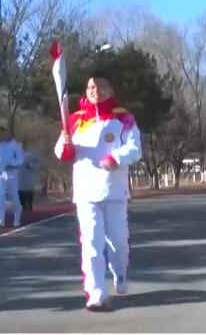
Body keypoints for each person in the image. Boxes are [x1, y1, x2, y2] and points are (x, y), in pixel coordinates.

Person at [55, 71, 142, 312]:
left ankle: (119, 270)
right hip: (86, 191)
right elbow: (61, 152)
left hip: (113, 190)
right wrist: (65, 145)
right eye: (91, 87)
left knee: (118, 241)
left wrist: (116, 158)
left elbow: (135, 148)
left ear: (110, 90)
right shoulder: (75, 119)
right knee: (91, 244)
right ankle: (96, 292)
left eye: (101, 87)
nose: (95, 91)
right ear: (86, 91)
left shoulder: (122, 118)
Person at [0, 126, 24, 227]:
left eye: (1, 134)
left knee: (14, 197)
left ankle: (17, 218)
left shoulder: (15, 145)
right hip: (0, 175)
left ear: (5, 133)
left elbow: (21, 160)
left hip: (12, 175)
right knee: (0, 196)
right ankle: (1, 219)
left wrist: (12, 164)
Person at [17, 139, 42, 212]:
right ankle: (23, 207)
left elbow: (40, 163)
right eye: (21, 146)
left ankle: (29, 206)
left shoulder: (31, 155)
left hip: (29, 178)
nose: (22, 148)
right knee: (20, 194)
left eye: (24, 146)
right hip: (20, 179)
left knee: (29, 193)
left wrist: (31, 166)